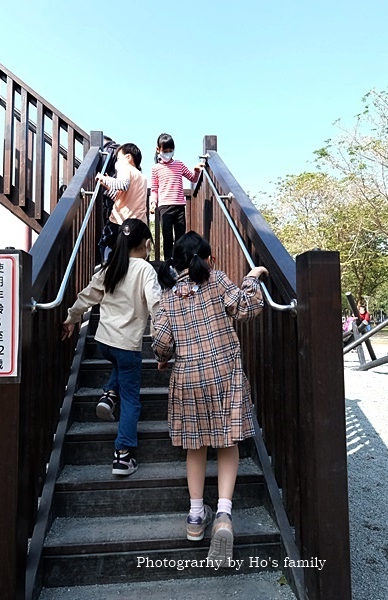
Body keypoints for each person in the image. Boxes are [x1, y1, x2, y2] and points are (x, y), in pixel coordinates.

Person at [152, 231, 268, 567]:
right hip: (223, 372)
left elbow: (160, 341)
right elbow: (248, 308)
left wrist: (164, 357)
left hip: (187, 377)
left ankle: (194, 516)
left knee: (196, 446)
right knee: (227, 443)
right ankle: (223, 514)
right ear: (208, 258)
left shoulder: (169, 293)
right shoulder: (217, 280)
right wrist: (250, 278)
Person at [62, 218, 161, 476]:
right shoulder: (145, 270)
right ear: (147, 243)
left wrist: (72, 318)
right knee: (132, 401)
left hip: (104, 342)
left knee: (120, 366)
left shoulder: (110, 267)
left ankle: (108, 394)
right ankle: (122, 455)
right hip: (127, 346)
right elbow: (156, 305)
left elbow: (87, 296)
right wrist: (162, 337)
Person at [149, 133, 205, 260]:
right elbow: (154, 189)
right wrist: (153, 203)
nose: (168, 153)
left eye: (170, 150)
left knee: (180, 237)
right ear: (158, 149)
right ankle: (169, 262)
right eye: (165, 150)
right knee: (167, 236)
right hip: (164, 207)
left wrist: (196, 170)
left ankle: (180, 261)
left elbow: (192, 178)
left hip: (179, 206)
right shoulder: (155, 168)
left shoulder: (179, 165)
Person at [95, 143, 148, 262]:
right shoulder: (142, 177)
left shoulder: (125, 168)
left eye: (118, 158)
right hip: (138, 224)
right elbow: (119, 196)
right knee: (130, 255)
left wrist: (104, 179)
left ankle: (108, 268)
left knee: (106, 245)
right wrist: (108, 186)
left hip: (120, 221)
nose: (116, 163)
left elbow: (122, 185)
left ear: (128, 157)